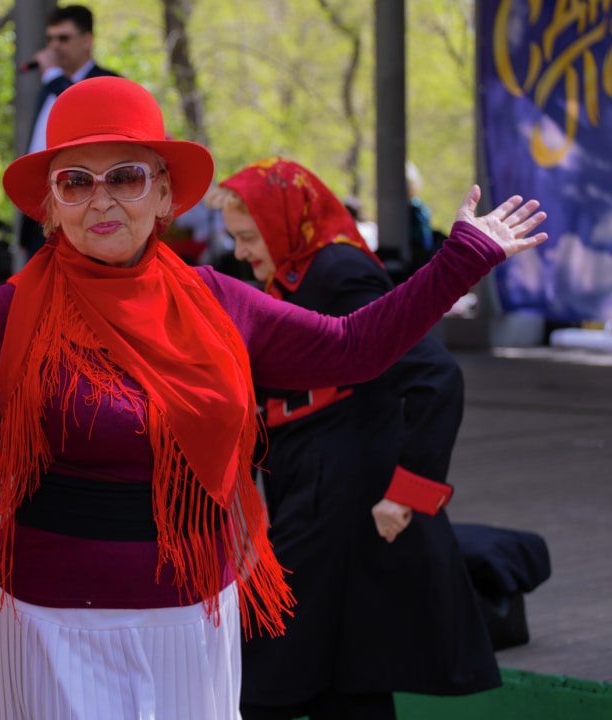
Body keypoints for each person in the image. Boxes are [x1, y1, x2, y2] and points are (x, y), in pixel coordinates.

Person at [0, 77, 546, 718]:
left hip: (190, 621)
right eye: (74, 181)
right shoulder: (10, 311)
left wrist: (462, 259)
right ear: (50, 205)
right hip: (50, 624)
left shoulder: (218, 300)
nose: (99, 201)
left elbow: (355, 348)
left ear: (162, 194)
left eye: (124, 177)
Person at [209, 158, 500, 720]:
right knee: (346, 676)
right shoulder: (296, 271)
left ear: (281, 223)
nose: (242, 253)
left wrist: (409, 492)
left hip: (342, 502)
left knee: (263, 670)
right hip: (317, 494)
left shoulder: (339, 270)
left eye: (248, 237)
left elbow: (436, 375)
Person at [19, 4, 119, 257]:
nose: (54, 46)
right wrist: (25, 226)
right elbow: (37, 147)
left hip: (86, 207)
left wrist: (53, 77)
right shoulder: (49, 86)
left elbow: (85, 110)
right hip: (42, 215)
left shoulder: (107, 81)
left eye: (63, 38)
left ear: (87, 40)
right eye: (50, 39)